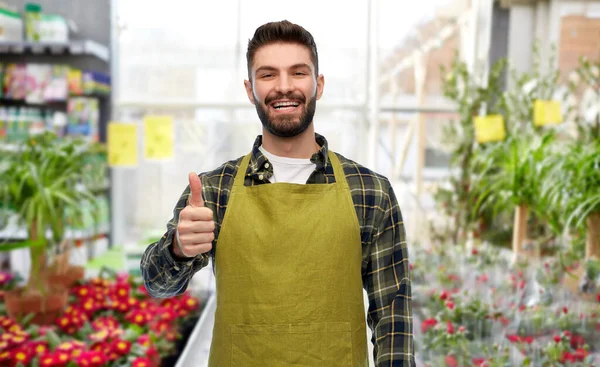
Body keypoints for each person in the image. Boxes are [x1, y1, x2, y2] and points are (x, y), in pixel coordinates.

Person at [141, 20, 415, 367]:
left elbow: (394, 318)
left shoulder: (370, 191)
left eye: (298, 73)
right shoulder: (214, 189)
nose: (284, 87)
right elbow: (156, 283)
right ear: (250, 89)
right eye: (268, 75)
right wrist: (177, 249)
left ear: (318, 84)